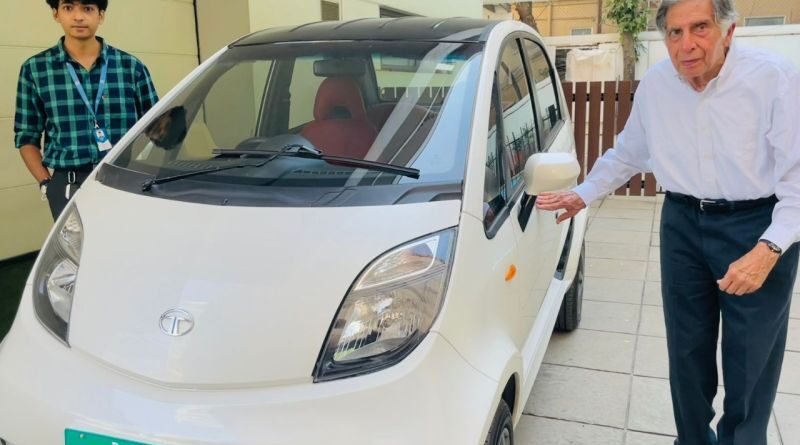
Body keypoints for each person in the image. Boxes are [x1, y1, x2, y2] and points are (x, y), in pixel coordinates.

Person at [536, 0, 800, 444]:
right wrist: (583, 193)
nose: (686, 44)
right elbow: (628, 153)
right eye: (674, 33)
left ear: (728, 31)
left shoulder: (775, 78)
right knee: (687, 350)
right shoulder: (658, 84)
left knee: (750, 359)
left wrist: (769, 248)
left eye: (700, 28)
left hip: (757, 224)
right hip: (682, 222)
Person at [14, 0, 159, 219]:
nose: (78, 17)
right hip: (68, 183)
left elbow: (158, 127)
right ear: (56, 14)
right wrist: (46, 183)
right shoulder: (35, 69)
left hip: (125, 177)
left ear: (101, 15)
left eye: (88, 9)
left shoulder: (131, 67)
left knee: (130, 246)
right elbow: (26, 136)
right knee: (78, 252)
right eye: (69, 8)